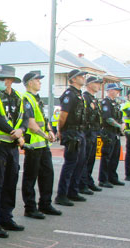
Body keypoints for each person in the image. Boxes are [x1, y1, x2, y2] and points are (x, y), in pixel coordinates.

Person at [0, 65, 26, 237]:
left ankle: (6, 217)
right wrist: (13, 133)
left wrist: (21, 131)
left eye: (1, 79)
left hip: (12, 146)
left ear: (10, 81)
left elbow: (25, 117)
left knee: (10, 182)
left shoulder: (18, 97)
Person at [20, 71, 61, 219]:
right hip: (33, 144)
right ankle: (30, 207)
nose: (40, 82)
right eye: (37, 80)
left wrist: (50, 131)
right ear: (29, 82)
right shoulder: (26, 99)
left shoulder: (37, 99)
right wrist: (45, 135)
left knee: (47, 174)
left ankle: (45, 203)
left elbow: (43, 120)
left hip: (43, 144)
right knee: (30, 177)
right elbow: (31, 123)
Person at [55, 69, 88, 207]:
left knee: (79, 163)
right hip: (72, 132)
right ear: (73, 79)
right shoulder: (70, 95)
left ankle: (72, 191)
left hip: (80, 132)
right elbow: (63, 116)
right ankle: (62, 195)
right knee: (70, 163)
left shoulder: (79, 94)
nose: (83, 78)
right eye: (80, 76)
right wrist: (61, 130)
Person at [98, 83, 125, 188]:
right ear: (110, 91)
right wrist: (119, 125)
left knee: (115, 156)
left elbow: (118, 117)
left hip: (115, 132)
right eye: (115, 90)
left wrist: (122, 124)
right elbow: (107, 118)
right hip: (108, 131)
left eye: (117, 90)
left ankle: (112, 177)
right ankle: (103, 179)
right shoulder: (106, 102)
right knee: (107, 156)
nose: (117, 92)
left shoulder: (115, 103)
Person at [79, 76, 103, 194]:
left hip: (94, 132)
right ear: (89, 84)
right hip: (87, 132)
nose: (99, 85)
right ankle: (82, 184)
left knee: (91, 159)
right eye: (96, 83)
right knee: (84, 159)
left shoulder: (94, 99)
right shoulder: (85, 98)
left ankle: (88, 181)